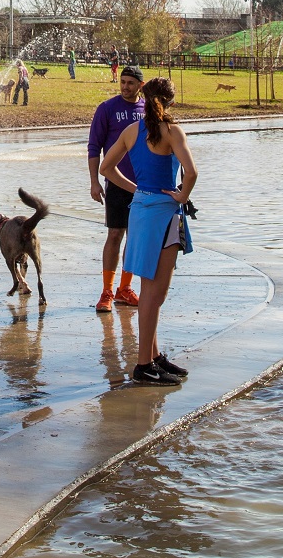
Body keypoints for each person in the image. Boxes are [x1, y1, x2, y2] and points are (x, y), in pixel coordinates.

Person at [98, 77, 197, 386]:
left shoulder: (131, 131)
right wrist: (181, 195)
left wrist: (137, 188)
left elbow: (105, 169)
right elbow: (192, 173)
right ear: (170, 102)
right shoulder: (172, 131)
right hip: (164, 215)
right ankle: (143, 365)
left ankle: (153, 357)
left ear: (143, 98)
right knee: (156, 295)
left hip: (140, 212)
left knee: (149, 292)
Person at [88, 66, 147, 314]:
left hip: (144, 185)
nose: (125, 87)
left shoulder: (148, 110)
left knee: (135, 239)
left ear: (140, 86)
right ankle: (107, 291)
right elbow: (94, 146)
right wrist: (94, 182)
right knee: (115, 235)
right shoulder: (107, 109)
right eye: (122, 82)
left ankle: (125, 288)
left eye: (131, 83)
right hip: (116, 184)